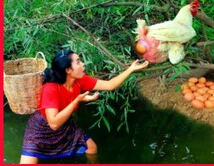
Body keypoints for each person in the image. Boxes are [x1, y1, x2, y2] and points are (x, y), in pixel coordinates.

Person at [19, 49, 149, 164]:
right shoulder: (51, 88)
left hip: (65, 126)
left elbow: (110, 85)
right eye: (78, 62)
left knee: (92, 148)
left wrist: (131, 69)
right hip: (41, 130)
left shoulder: (80, 80)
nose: (83, 64)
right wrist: (76, 101)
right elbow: (53, 123)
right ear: (68, 70)